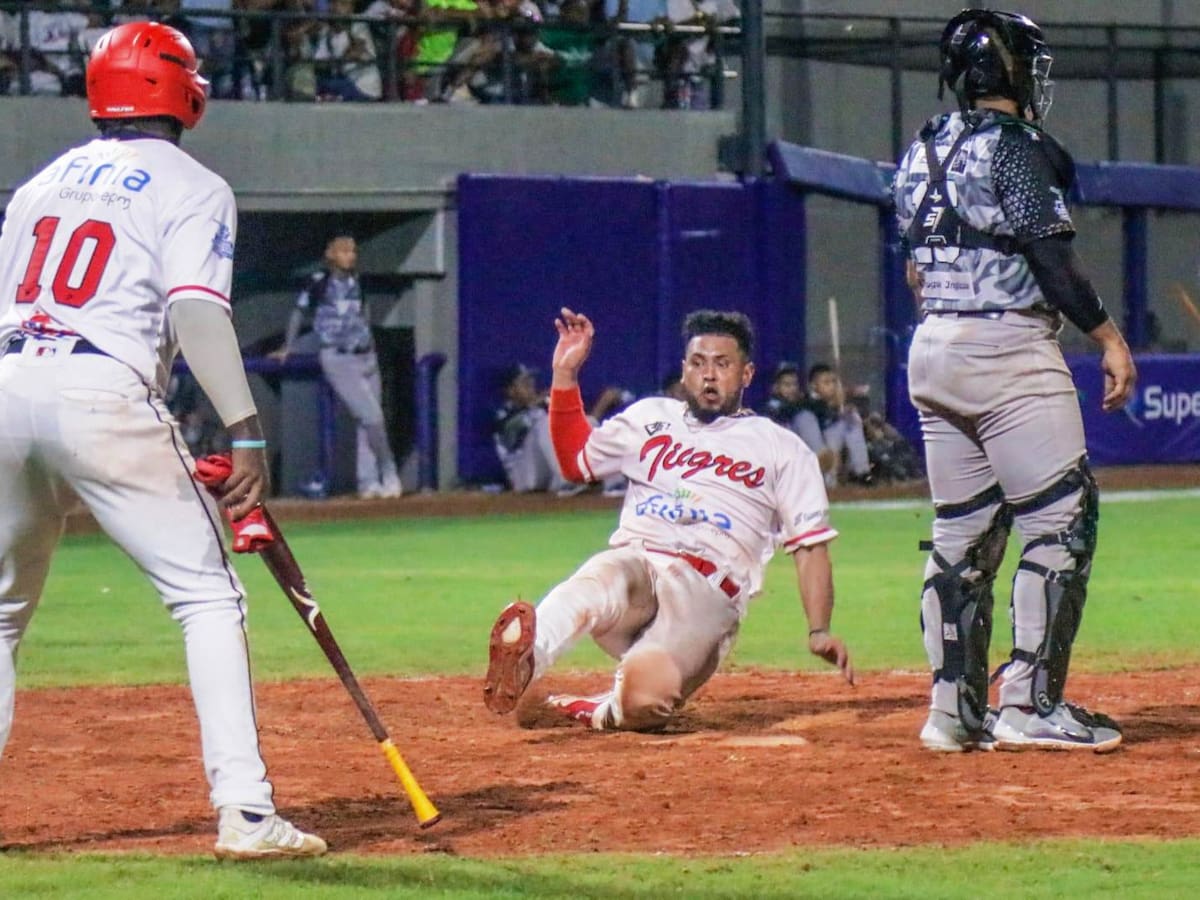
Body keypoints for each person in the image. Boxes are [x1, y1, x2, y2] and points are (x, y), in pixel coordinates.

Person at [0, 22, 325, 858]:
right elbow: (194, 308)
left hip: (6, 382)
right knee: (207, 598)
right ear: (181, 90)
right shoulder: (192, 182)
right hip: (99, 390)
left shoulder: (40, 183)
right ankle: (247, 814)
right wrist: (244, 429)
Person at [894, 9, 1136, 753]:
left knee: (961, 535)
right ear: (1009, 73)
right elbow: (1052, 259)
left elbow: (912, 266)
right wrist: (1108, 337)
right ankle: (1029, 704)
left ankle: (951, 713)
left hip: (932, 345)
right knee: (1062, 522)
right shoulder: (1016, 150)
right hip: (1007, 348)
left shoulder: (921, 149)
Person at [482, 308, 853, 731]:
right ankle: (527, 656)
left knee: (645, 701)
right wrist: (565, 376)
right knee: (603, 576)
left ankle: (596, 709)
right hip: (640, 567)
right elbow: (575, 464)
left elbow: (809, 546)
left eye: (722, 364)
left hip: (707, 595)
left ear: (747, 374)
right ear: (684, 370)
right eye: (698, 363)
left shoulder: (782, 449)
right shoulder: (649, 418)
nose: (708, 375)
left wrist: (818, 629)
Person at [274, 233, 403, 499]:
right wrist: (289, 345)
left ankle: (368, 482)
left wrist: (370, 342)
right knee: (372, 417)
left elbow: (364, 313)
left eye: (353, 252)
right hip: (338, 357)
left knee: (366, 421)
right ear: (331, 255)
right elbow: (299, 313)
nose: (351, 256)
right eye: (344, 252)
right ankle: (388, 469)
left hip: (366, 355)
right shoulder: (318, 283)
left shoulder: (359, 282)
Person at [492, 363, 577, 494]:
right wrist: (536, 403)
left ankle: (608, 483)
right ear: (511, 390)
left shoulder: (541, 409)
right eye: (524, 383)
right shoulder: (503, 414)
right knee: (546, 424)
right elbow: (511, 434)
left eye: (531, 381)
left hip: (544, 472)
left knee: (588, 422)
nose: (531, 386)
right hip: (521, 476)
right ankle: (567, 480)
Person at [792, 363, 873, 489]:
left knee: (850, 420)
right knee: (806, 418)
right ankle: (825, 477)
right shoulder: (805, 402)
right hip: (810, 452)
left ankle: (862, 473)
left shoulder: (835, 402)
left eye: (833, 382)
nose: (832, 386)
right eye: (826, 382)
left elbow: (861, 412)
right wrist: (834, 405)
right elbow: (816, 410)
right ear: (814, 385)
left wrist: (843, 406)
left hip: (831, 445)